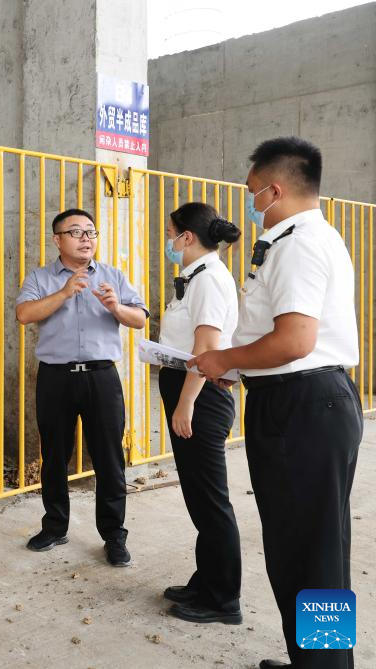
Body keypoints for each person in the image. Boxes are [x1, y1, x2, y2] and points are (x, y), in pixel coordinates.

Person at [190, 137, 361, 669]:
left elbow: (294, 341)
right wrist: (240, 366)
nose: (250, 202)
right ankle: (316, 662)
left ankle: (323, 667)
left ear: (275, 190)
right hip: (306, 402)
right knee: (312, 550)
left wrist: (223, 359)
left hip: (301, 407)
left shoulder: (298, 244)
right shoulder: (311, 237)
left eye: (252, 192)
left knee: (307, 555)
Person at [15, 208, 148, 567]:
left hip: (101, 377)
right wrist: (63, 292)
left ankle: (114, 536)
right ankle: (55, 526)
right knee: (55, 456)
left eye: (91, 232)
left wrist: (116, 307)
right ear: (57, 240)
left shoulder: (112, 275)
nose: (86, 238)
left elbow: (139, 318)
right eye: (76, 232)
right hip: (56, 377)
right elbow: (24, 314)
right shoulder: (41, 277)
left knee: (109, 458)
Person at [157, 202, 243, 625]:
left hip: (201, 395)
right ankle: (205, 581)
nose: (168, 242)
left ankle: (223, 600)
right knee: (198, 496)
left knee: (210, 500)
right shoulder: (196, 276)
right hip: (191, 387)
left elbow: (206, 347)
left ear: (186, 237)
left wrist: (186, 402)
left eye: (169, 234)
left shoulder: (208, 279)